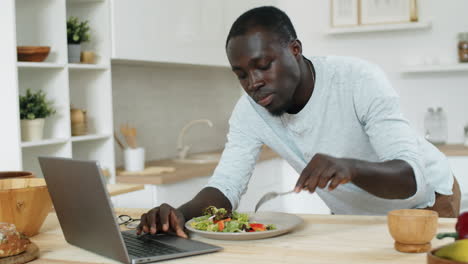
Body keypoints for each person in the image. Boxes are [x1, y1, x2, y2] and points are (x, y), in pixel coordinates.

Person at [137, 6, 460, 238]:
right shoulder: (249, 111)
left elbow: (411, 179)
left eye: (262, 66)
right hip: (353, 217)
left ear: (294, 50)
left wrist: (351, 167)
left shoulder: (357, 79)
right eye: (241, 74)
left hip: (426, 204)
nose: (253, 82)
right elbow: (226, 185)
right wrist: (180, 215)